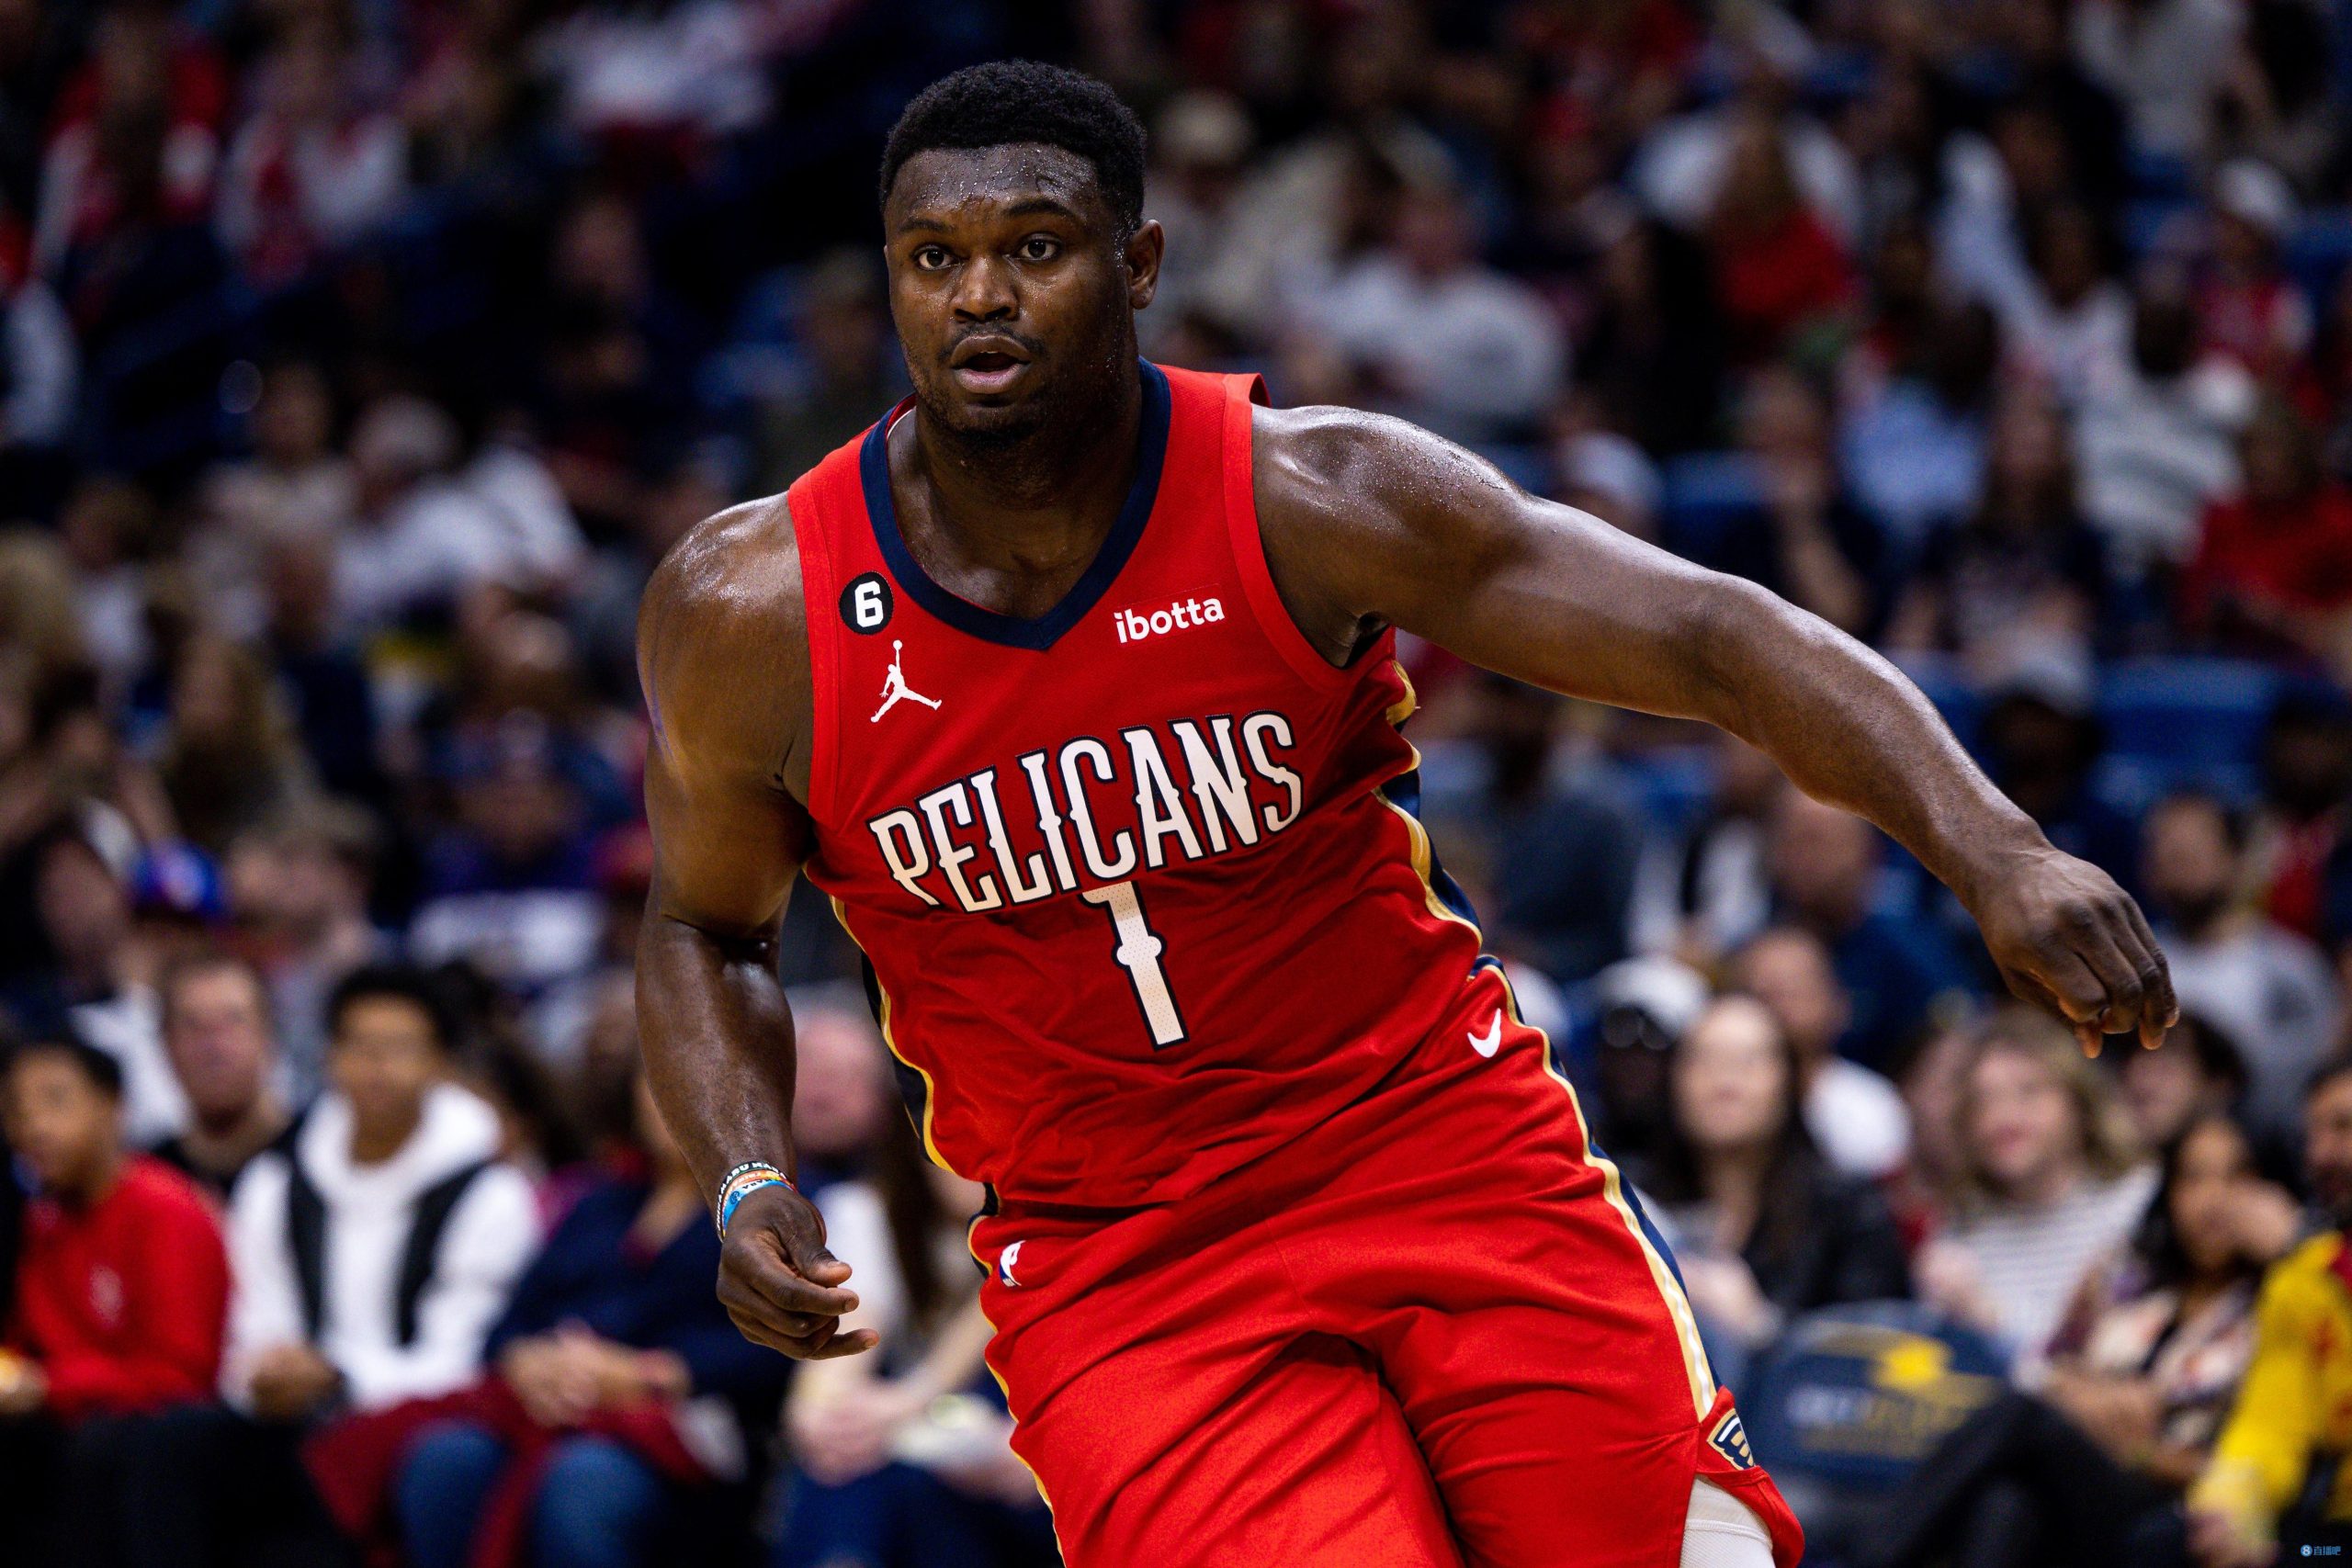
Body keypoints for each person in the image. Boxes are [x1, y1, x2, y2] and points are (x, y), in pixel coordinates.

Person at [636, 62, 2177, 1568]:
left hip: (1436, 1143)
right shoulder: (753, 610)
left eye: (1034, 248)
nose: (981, 295)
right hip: (1126, 1254)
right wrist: (749, 1174)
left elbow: (1715, 636)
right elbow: (705, 924)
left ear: (1141, 264)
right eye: (933, 259)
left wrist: (1998, 848)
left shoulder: (1312, 494)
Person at [121, 964, 539, 1568]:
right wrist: (266, 1375)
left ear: (439, 1064)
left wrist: (341, 1376)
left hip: (415, 1422)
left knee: (327, 1498)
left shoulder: (490, 1193)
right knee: (169, 1442)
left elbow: (463, 1353)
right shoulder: (278, 1180)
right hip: (295, 1414)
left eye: (399, 1048)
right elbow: (254, 1326)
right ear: (331, 1057)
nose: (376, 1067)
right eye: (360, 1045)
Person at [360, 1071, 787, 1568]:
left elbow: (781, 1345)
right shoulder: (598, 1203)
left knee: (581, 1485)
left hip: (687, 1427)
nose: (673, 1101)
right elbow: (511, 1323)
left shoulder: (773, 1214)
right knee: (444, 1462)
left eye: (697, 1082)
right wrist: (527, 1362)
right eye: (659, 1081)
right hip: (548, 1407)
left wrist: (651, 1374)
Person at [1867, 1112, 2281, 1568]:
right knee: (2005, 1504)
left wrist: (2141, 1452)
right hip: (2078, 1484)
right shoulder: (2127, 1280)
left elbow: (2255, 1464)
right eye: (2194, 1178)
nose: (2212, 1200)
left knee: (2023, 1417)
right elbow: (2044, 1366)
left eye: (2236, 1177)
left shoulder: (2280, 1304)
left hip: (2168, 1509)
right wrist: (2088, 1396)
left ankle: (1869, 1556)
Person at [0, 1035, 231, 1566]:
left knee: (98, 1450)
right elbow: (25, 1344)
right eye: (16, 1110)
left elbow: (181, 1375)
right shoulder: (43, 1219)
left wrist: (46, 1386)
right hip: (71, 1419)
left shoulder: (164, 1209)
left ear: (113, 1107)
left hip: (168, 1434)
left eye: (55, 1101)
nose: (33, 1127)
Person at [1632, 995, 1910, 1388]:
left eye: (1748, 1060)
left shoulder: (1849, 1209)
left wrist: (1761, 1327)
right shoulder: (1634, 1202)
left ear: (1790, 1082)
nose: (1724, 1079)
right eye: (1704, 1059)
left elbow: (1879, 1359)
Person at [1916, 1010, 2158, 1367]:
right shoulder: (1959, 1229)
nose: (2003, 1117)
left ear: (2079, 1103)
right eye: (1982, 1101)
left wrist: (1991, 1323)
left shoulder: (2141, 1201)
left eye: (2028, 1092)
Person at [2189, 1062, 2352, 1564]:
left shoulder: (2315, 1260)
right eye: (2312, 1135)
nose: (2320, 1155)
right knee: (2166, 1542)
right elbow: (2269, 1424)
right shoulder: (2306, 1273)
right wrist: (2229, 1506)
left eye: (2343, 1127)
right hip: (2333, 1539)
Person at [1728, 925, 1912, 1179]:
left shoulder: (1870, 1108)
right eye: (1764, 993)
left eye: (1793, 989)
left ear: (1838, 1004)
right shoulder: (1723, 1095)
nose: (1780, 1006)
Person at [148, 949, 294, 1196]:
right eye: (193, 1025)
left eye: (233, 1021)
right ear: (166, 1047)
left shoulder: (318, 1160)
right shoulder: (152, 1182)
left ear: (268, 1037)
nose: (214, 1046)